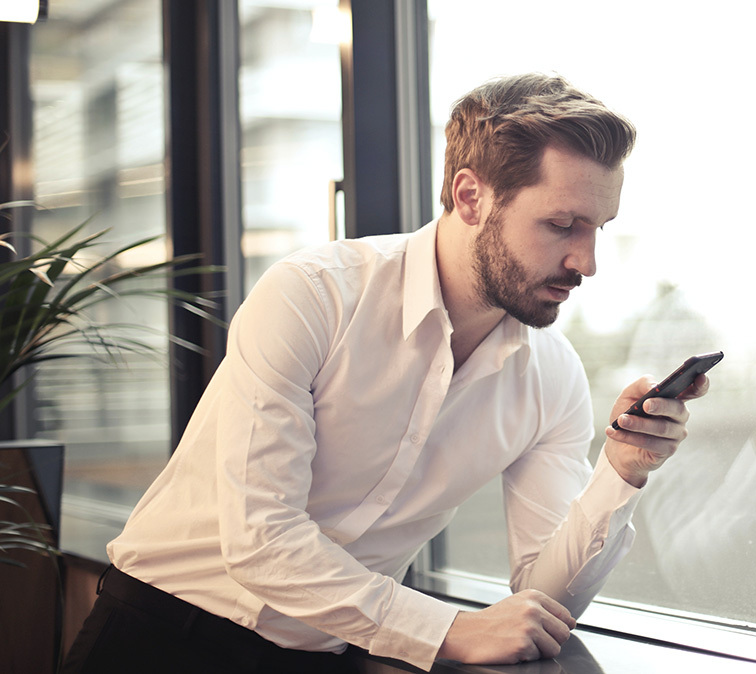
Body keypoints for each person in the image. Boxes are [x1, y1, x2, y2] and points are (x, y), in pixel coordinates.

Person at [63, 73, 709, 673]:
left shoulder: (553, 380)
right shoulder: (312, 296)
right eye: (562, 225)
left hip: (329, 656)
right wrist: (447, 629)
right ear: (470, 196)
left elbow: (540, 604)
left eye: (598, 227)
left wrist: (621, 473)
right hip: (159, 634)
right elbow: (261, 540)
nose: (587, 261)